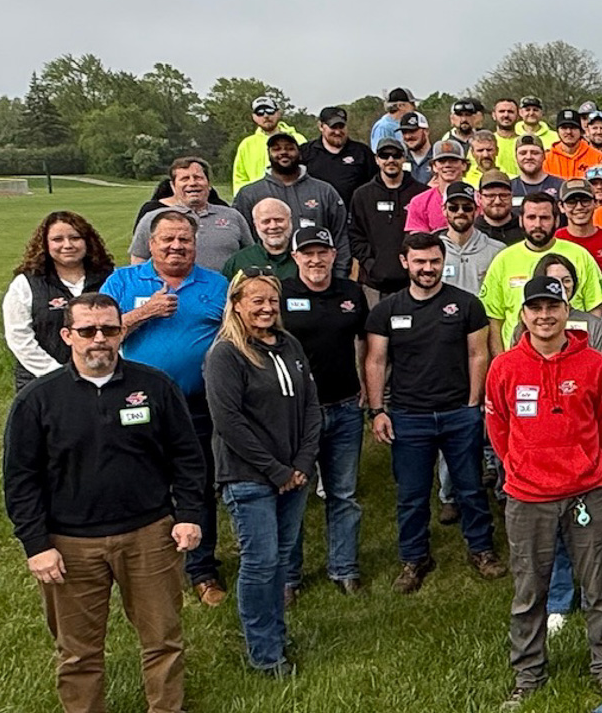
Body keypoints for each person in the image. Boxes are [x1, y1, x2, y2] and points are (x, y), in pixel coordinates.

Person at [3, 293, 207, 713]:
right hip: (70, 543)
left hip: (149, 533)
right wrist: (36, 545)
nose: (100, 340)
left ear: (121, 332)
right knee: (77, 648)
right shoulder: (38, 399)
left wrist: (188, 515)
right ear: (67, 336)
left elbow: (187, 456)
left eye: (109, 330)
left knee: (162, 635)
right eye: (88, 331)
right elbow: (21, 480)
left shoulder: (154, 387)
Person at [485, 274, 602, 708]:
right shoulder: (504, 367)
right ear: (523, 314)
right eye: (536, 308)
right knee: (529, 589)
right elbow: (498, 427)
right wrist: (521, 466)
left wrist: (589, 466)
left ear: (567, 311)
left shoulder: (594, 365)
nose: (544, 315)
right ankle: (528, 674)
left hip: (586, 492)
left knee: (598, 584)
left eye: (552, 307)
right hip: (527, 496)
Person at [101, 210, 231, 604]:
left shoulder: (216, 284)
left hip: (197, 405)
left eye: (184, 240)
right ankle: (149, 564)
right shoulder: (123, 281)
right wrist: (146, 311)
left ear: (195, 244)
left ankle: (202, 569)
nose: (176, 246)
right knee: (141, 483)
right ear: (151, 243)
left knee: (197, 484)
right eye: (167, 240)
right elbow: (99, 335)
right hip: (136, 403)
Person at [365, 231, 503, 594]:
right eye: (420, 262)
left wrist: (473, 403)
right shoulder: (387, 310)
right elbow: (376, 361)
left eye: (435, 261)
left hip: (459, 412)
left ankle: (481, 549)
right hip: (408, 416)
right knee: (411, 494)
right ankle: (414, 558)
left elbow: (478, 354)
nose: (428, 268)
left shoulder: (467, 304)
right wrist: (378, 410)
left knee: (470, 488)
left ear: (444, 262)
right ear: (404, 262)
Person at [203, 272, 319, 677]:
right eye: (257, 301)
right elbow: (228, 422)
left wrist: (303, 463)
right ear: (236, 304)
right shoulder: (226, 354)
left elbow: (311, 405)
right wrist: (275, 470)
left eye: (272, 300)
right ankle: (264, 652)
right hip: (248, 476)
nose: (267, 308)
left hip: (294, 474)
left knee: (281, 559)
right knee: (260, 562)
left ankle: (276, 635)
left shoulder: (289, 344)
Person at [277, 227, 369, 594]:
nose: (316, 260)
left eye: (322, 252)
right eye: (307, 253)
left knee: (342, 493)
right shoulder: (282, 293)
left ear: (333, 255)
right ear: (295, 257)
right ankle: (289, 576)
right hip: (297, 412)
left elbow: (363, 340)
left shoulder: (350, 292)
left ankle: (344, 568)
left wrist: (365, 382)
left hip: (345, 406)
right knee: (293, 492)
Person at [479, 192, 602, 353]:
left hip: (577, 355)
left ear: (557, 221)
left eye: (545, 218)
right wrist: (502, 360)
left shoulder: (579, 255)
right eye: (531, 217)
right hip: (520, 356)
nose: (537, 224)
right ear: (521, 220)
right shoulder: (503, 260)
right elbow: (494, 319)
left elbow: (595, 308)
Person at [4, 211, 113, 390]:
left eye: (75, 238)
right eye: (57, 239)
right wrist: (56, 374)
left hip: (102, 379)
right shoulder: (26, 284)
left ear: (88, 241)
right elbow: (19, 337)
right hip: (41, 382)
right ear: (45, 244)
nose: (67, 245)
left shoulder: (111, 278)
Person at [230, 133, 351, 275]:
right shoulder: (249, 194)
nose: (283, 152)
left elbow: (341, 236)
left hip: (316, 277)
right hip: (266, 277)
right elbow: (240, 239)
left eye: (289, 148)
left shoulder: (324, 191)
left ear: (299, 153)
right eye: (276, 149)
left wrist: (340, 275)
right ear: (268, 154)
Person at [133, 157, 255, 272]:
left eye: (198, 177)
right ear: (173, 186)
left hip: (224, 287)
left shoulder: (233, 216)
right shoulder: (152, 219)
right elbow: (138, 261)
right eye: (184, 179)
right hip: (171, 288)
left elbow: (251, 256)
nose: (192, 183)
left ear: (209, 184)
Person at [350, 137, 430, 298]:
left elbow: (431, 237)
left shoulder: (422, 193)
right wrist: (371, 264)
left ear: (404, 158)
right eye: (384, 155)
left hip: (415, 283)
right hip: (374, 284)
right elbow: (355, 235)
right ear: (377, 160)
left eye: (396, 155)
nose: (390, 160)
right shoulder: (362, 195)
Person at [556, 178, 602, 291]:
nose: (579, 207)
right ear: (561, 206)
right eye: (571, 202)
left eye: (585, 200)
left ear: (595, 203)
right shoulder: (554, 242)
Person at [436, 181, 503, 295]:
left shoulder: (497, 251)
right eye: (453, 208)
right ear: (444, 210)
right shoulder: (432, 250)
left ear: (477, 211)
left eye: (467, 208)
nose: (460, 212)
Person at [230, 95, 302, 194]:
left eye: (269, 110)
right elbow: (240, 178)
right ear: (253, 117)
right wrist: (243, 198)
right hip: (257, 198)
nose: (266, 115)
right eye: (260, 112)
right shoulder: (246, 145)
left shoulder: (298, 139)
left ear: (278, 113)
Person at [301, 105, 372, 205]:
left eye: (341, 126)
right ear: (321, 126)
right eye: (333, 127)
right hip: (317, 212)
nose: (338, 132)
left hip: (353, 212)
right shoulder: (305, 152)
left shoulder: (362, 152)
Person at [400, 140, 474, 235]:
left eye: (453, 160)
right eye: (442, 161)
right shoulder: (419, 202)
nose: (447, 165)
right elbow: (418, 240)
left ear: (464, 165)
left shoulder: (478, 199)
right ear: (434, 166)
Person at [219, 197, 299, 282]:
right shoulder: (239, 261)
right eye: (266, 221)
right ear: (255, 224)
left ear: (290, 220)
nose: (273, 226)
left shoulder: (305, 257)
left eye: (279, 220)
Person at [543, 108, 602, 180]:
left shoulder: (598, 157)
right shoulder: (546, 159)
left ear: (581, 131)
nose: (569, 132)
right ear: (557, 131)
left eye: (573, 128)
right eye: (564, 128)